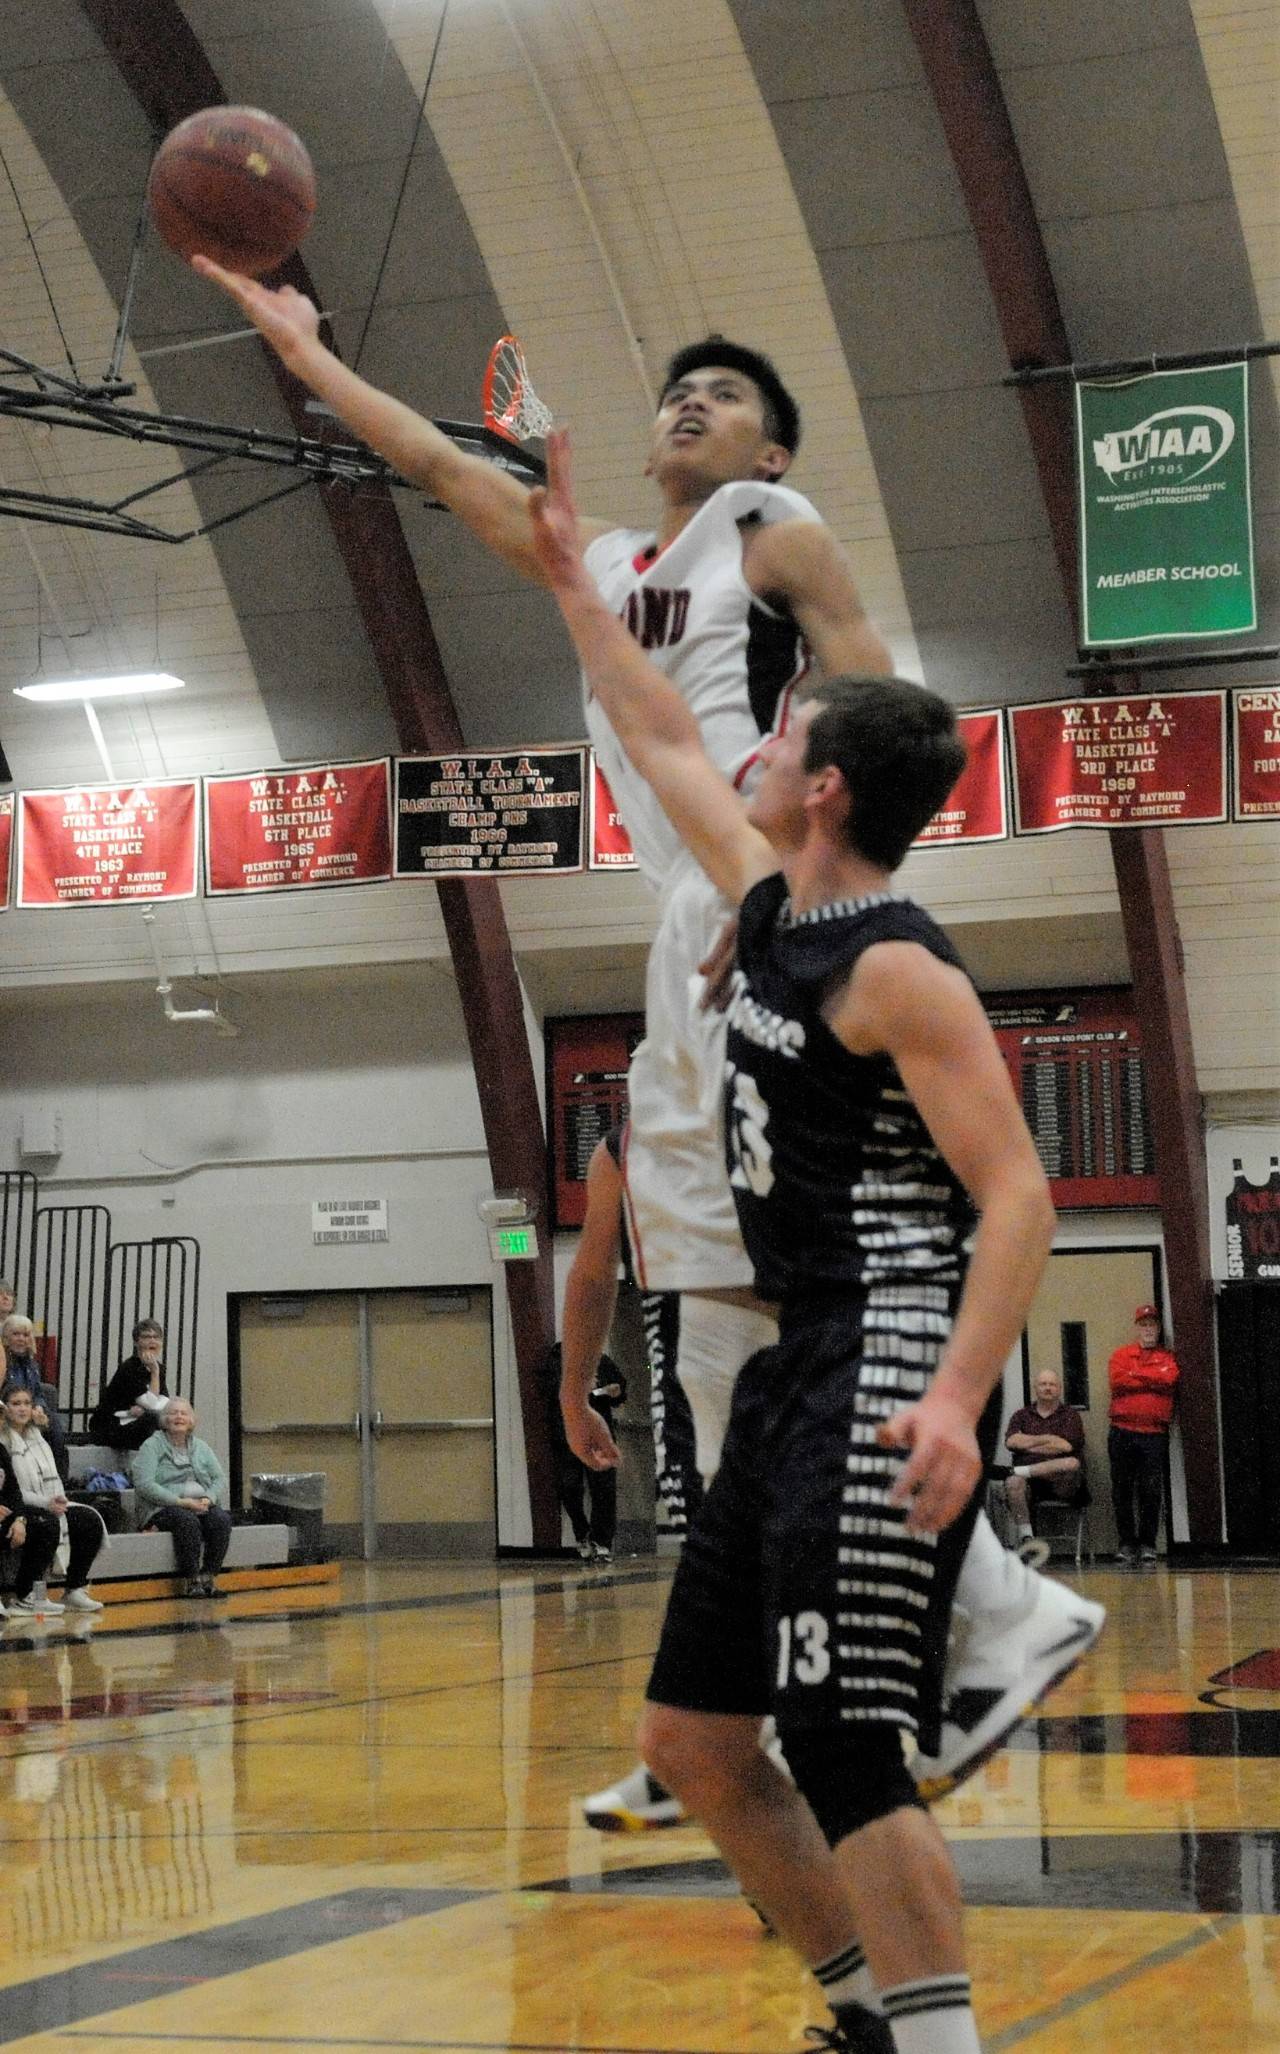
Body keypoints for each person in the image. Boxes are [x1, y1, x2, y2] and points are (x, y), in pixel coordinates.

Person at [192, 261, 1091, 1828]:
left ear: (770, 451)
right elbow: (432, 464)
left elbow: (893, 695)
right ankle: (741, 1688)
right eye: (682, 384)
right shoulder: (602, 552)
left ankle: (979, 1603)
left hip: (748, 895)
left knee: (780, 1287)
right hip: (681, 903)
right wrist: (306, 352)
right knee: (718, 1300)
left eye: (729, 392)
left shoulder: (771, 532)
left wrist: (834, 887)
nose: (694, 398)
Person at [528, 433, 1103, 2054]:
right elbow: (654, 726)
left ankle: (933, 2040)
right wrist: (579, 578)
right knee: (698, 1735)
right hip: (804, 1355)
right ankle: (864, 2011)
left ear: (828, 780)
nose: (757, 739)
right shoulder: (771, 902)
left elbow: (1023, 1197)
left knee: (847, 1741)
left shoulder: (902, 966)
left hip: (899, 1344)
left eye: (783, 730)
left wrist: (955, 1398)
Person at [0, 1383, 106, 1614]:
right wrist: (45, 1504)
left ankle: (75, 1588)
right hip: (19, 1505)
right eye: (16, 1403)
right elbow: (12, 1489)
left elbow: (54, 1475)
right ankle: (27, 1596)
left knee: (88, 1519)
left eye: (27, 1403)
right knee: (45, 1523)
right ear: (5, 1408)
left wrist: (56, 1500)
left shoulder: (37, 1435)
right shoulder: (3, 1439)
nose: (22, 1409)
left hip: (46, 1501)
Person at [131, 1400, 233, 1599]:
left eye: (184, 1414)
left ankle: (208, 1577)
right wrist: (181, 1502)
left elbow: (219, 1478)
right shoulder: (152, 1445)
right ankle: (192, 1579)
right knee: (186, 1520)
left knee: (221, 1519)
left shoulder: (201, 1447)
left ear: (191, 1420)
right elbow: (144, 1484)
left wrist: (209, 1498)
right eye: (174, 1413)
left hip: (198, 1502)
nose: (179, 1417)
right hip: (162, 1507)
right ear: (165, 1419)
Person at [1108, 1305, 1180, 1566]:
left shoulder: (1168, 1358)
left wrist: (1136, 1374)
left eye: (1153, 1324)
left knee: (1151, 1490)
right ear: (1137, 1327)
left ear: (1159, 1328)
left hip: (1154, 1434)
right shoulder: (1121, 1355)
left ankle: (1148, 1544)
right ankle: (1127, 1544)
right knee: (1122, 1490)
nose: (1148, 1329)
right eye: (1144, 1324)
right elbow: (1118, 1381)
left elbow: (1169, 1380)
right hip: (1122, 1431)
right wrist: (1152, 1377)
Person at [1002, 1369, 1086, 1548]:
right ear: (1035, 1388)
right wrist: (1048, 1439)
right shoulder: (1021, 1415)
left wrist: (1028, 1442)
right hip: (1029, 1483)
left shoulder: (1071, 1416)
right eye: (1043, 1384)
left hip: (1061, 1481)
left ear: (1059, 1389)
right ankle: (1027, 1539)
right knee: (1013, 1483)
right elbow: (1011, 1442)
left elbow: (1066, 1447)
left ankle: (1017, 1471)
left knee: (1071, 1462)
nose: (1048, 1388)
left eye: (1052, 1384)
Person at [0, 1412, 59, 1621]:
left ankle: (32, 1596)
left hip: (6, 1515)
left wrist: (20, 1520)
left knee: (48, 1523)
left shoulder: (1, 1451)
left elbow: (14, 1492)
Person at [1, 1313, 70, 1483]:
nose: (21, 1339)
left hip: (30, 1410)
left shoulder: (31, 1363)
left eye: (25, 1335)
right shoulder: (3, 1361)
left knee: (54, 1428)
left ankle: (59, 1482)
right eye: (16, 1334)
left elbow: (37, 1392)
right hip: (9, 1411)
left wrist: (38, 1407)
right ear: (6, 1338)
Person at [88, 1318, 170, 1452]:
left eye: (156, 1337)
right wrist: (154, 1373)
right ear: (136, 1342)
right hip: (111, 1426)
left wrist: (147, 1409)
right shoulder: (130, 1368)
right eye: (146, 1337)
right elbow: (151, 1404)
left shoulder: (159, 1368)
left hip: (134, 1422)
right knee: (152, 1419)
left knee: (173, 1418)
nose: (152, 1341)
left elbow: (165, 1401)